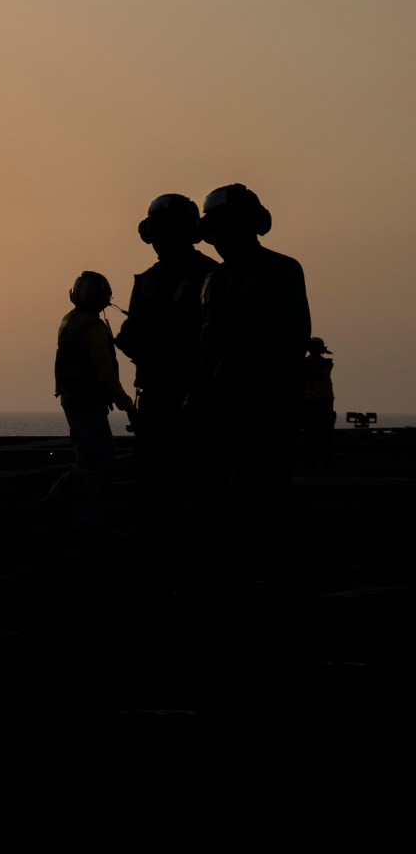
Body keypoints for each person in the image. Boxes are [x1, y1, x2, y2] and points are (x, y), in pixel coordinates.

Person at [189, 183, 313, 611]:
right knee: (230, 501)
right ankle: (230, 586)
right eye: (215, 232)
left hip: (269, 405)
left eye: (226, 230)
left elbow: (292, 334)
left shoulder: (282, 270)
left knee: (268, 494)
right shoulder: (215, 279)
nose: (220, 241)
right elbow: (207, 346)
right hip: (225, 408)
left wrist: (239, 362)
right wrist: (199, 392)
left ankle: (284, 590)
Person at [116, 194, 213, 590]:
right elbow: (131, 337)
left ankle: (193, 583)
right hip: (161, 397)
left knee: (196, 498)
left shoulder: (210, 277)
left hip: (196, 398)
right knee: (161, 500)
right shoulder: (151, 281)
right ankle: (169, 581)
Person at [43, 271, 135, 532]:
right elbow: (105, 373)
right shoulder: (93, 328)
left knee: (97, 455)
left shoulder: (70, 320)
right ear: (103, 298)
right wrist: (128, 406)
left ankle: (57, 498)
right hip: (87, 399)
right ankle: (86, 523)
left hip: (73, 395)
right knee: (94, 460)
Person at [301, 339, 336, 465]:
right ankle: (312, 459)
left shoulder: (326, 363)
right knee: (310, 433)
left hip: (323, 401)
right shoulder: (305, 363)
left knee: (324, 433)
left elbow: (320, 374)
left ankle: (325, 459)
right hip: (309, 401)